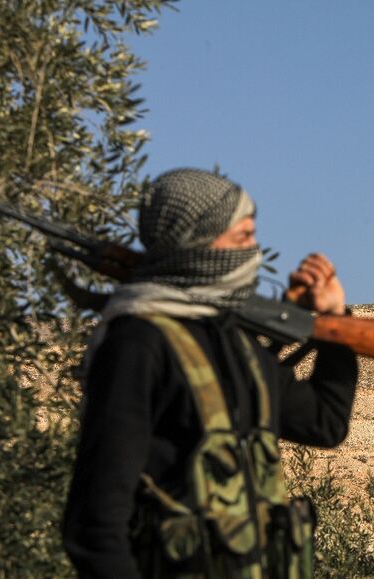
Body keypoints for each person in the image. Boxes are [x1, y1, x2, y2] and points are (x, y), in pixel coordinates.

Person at [62, 168, 358, 578]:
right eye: (242, 237)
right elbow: (95, 525)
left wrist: (335, 321)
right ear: (195, 245)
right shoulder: (138, 343)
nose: (254, 252)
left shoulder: (234, 343)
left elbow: (325, 422)